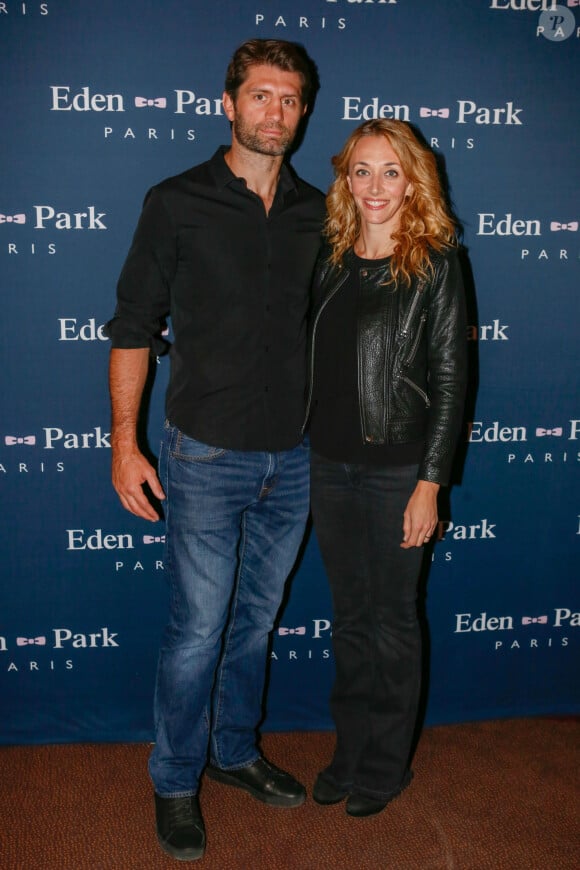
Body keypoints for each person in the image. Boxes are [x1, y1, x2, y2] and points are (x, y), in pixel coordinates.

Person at [106, 39, 324, 861]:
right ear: (227, 104)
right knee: (198, 629)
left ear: (304, 112)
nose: (275, 111)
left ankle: (233, 754)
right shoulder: (177, 201)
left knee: (255, 622)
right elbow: (133, 327)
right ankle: (173, 781)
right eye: (260, 95)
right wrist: (125, 446)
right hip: (203, 455)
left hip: (296, 459)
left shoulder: (319, 212)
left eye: (290, 98)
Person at [306, 119, 467, 817]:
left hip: (400, 470)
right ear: (346, 179)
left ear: (414, 180)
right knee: (349, 618)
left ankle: (386, 761)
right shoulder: (330, 257)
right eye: (362, 171)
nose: (375, 186)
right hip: (329, 466)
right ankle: (350, 747)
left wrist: (430, 482)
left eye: (390, 171)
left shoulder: (434, 262)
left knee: (392, 620)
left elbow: (453, 379)